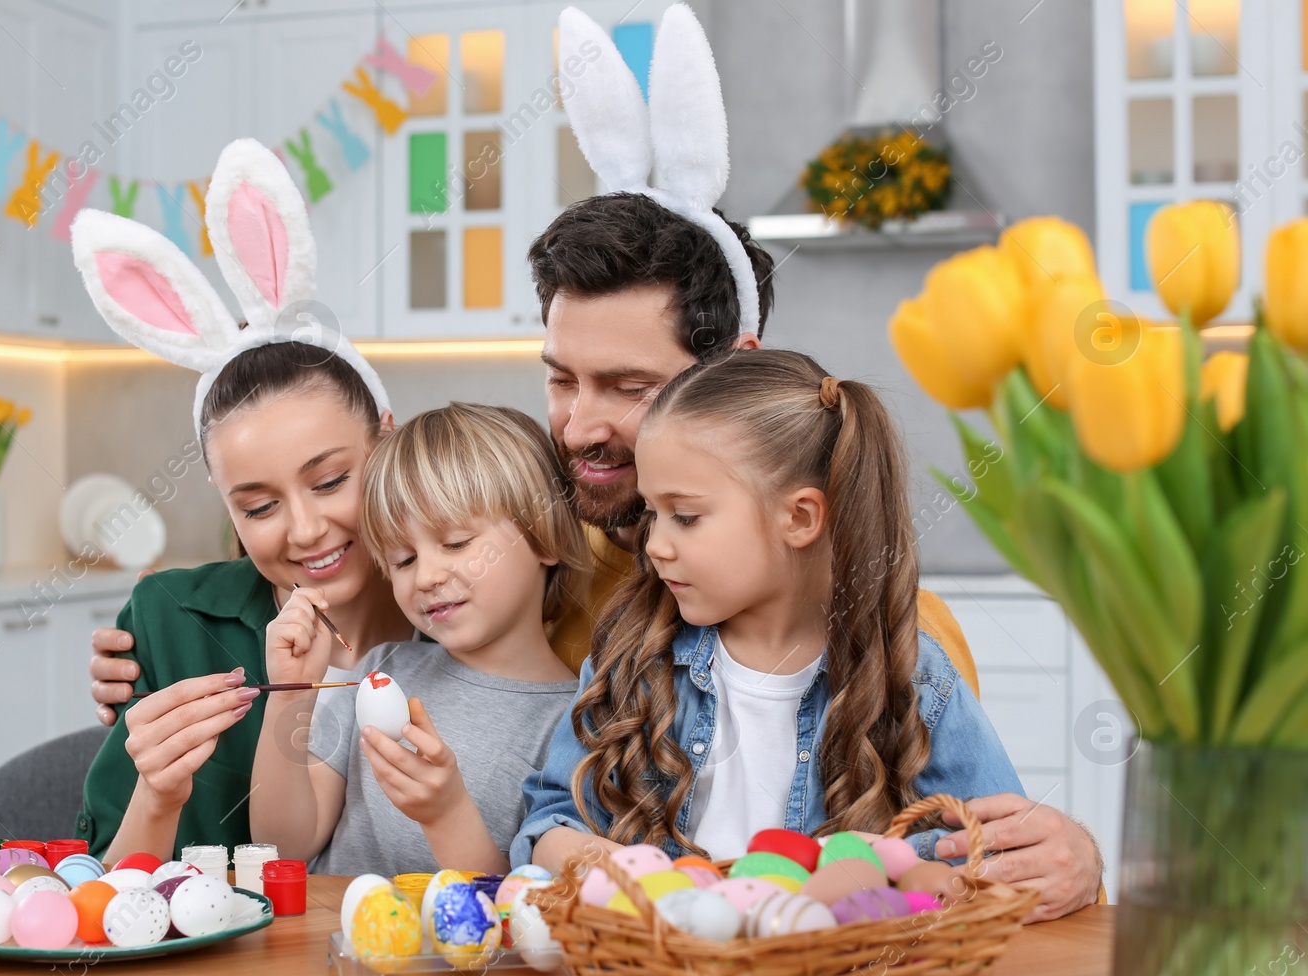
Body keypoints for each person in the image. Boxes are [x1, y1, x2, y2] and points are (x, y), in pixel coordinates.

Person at [93, 3, 1101, 920]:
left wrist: (1070, 856)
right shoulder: (528, 542)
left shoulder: (892, 637)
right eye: (560, 378)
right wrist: (172, 638)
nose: (576, 426)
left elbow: (970, 842)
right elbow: (373, 579)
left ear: (726, 377)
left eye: (626, 387)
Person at [516, 350, 1024, 877]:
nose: (656, 545)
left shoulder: (914, 678)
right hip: (660, 956)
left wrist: (881, 866)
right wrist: (641, 882)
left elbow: (998, 847)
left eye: (685, 517)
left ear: (800, 517)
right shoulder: (632, 658)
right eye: (651, 513)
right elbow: (554, 823)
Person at [68, 140, 414, 865]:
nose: (307, 528)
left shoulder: (467, 610)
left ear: (387, 439)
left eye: (328, 481)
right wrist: (157, 792)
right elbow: (103, 883)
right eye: (259, 507)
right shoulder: (170, 624)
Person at [253, 404, 589, 875]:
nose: (427, 576)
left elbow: (522, 906)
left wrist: (446, 814)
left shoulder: (574, 729)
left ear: (545, 539)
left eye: (455, 543)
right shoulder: (383, 670)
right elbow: (282, 846)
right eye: (403, 560)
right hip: (326, 945)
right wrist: (289, 694)